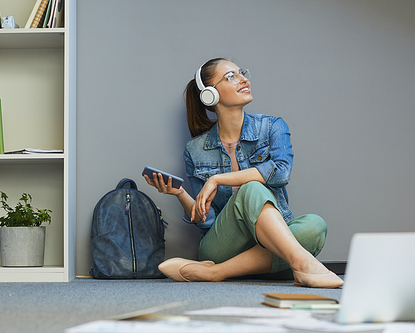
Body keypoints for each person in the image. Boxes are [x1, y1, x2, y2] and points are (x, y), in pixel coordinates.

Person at [144, 58, 343, 288]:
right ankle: (302, 262)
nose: (244, 79)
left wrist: (218, 179)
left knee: (316, 226)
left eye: (242, 73)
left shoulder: (273, 127)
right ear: (210, 95)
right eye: (231, 76)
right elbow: (206, 221)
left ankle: (217, 273)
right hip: (225, 245)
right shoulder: (195, 149)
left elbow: (280, 172)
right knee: (252, 188)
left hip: (271, 243)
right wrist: (180, 194)